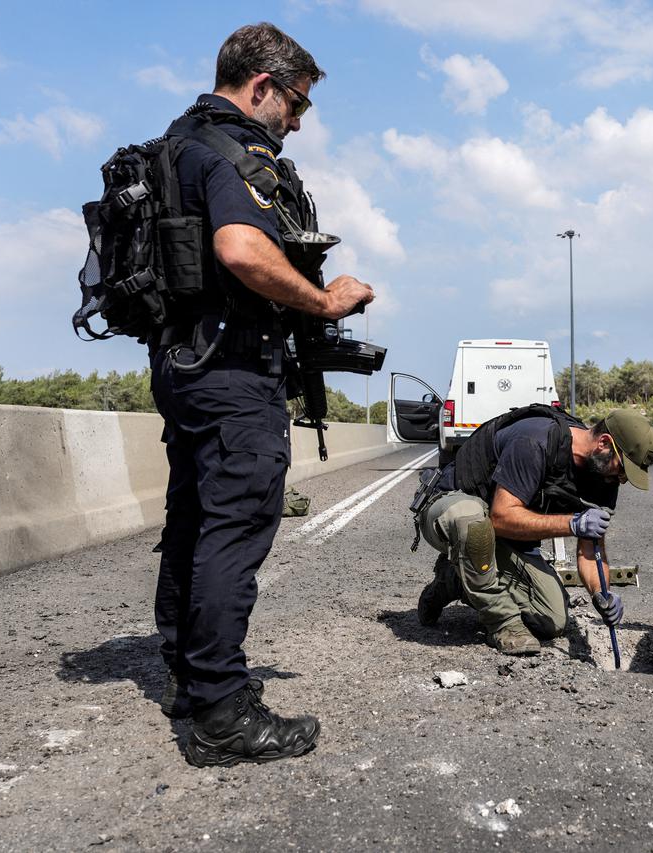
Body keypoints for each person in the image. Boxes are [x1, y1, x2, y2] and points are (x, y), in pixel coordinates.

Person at [149, 22, 374, 766]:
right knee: (235, 524)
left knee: (192, 517)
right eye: (298, 104)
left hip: (182, 365)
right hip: (232, 368)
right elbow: (240, 249)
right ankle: (220, 710)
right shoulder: (232, 151)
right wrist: (323, 301)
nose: (300, 122)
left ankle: (189, 672)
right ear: (263, 87)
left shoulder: (174, 144)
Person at [414, 407, 653, 655]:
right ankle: (503, 623)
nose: (623, 479)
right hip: (451, 509)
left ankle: (454, 580)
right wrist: (571, 524)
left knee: (552, 619)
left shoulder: (603, 475)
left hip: (505, 537)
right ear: (604, 443)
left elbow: (591, 549)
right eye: (623, 469)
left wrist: (601, 593)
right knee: (472, 520)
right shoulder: (535, 441)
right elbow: (500, 517)